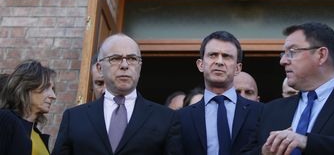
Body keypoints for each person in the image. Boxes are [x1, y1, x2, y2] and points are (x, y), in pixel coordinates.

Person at [53, 33, 183, 155]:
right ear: (99, 68)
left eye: (132, 58)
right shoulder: (74, 118)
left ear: (140, 66)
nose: (125, 65)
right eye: (115, 58)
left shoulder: (166, 119)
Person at [243, 22, 334, 155]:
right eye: (284, 54)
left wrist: (306, 142)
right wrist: (264, 152)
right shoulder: (270, 110)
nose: (283, 61)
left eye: (292, 52)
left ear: (321, 55)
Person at [178, 30, 263, 155]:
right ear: (200, 64)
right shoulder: (181, 118)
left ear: (238, 68)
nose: (219, 61)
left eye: (226, 56)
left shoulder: (261, 113)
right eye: (213, 55)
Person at [0, 60, 57, 155]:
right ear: (27, 87)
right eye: (47, 87)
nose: (53, 96)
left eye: (53, 89)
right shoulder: (5, 118)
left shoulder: (36, 134)